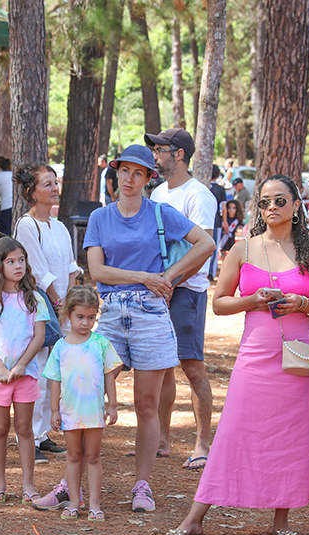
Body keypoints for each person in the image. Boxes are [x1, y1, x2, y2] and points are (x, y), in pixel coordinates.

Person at [161, 174, 309, 535]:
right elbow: (220, 302)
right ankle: (196, 516)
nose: (271, 208)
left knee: (292, 435)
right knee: (232, 430)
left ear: (296, 204)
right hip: (256, 351)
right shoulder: (243, 248)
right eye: (265, 202)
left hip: (298, 353)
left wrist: (302, 303)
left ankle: (281, 520)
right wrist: (252, 300)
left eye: (279, 201)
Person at [83, 144, 214, 513]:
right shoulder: (100, 217)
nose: (129, 178)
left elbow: (205, 243)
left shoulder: (161, 212)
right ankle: (72, 481)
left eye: (138, 173)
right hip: (110, 312)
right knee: (88, 394)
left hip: (151, 314)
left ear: (147, 179)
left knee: (146, 404)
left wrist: (171, 275)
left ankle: (142, 486)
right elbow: (98, 272)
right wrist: (145, 276)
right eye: (124, 171)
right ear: (116, 174)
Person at [146, 127, 217, 471]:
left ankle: (203, 444)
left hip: (187, 290)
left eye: (160, 150)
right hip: (160, 288)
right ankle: (161, 440)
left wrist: (173, 280)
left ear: (179, 155)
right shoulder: (158, 192)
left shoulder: (198, 195)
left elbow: (201, 248)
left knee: (192, 368)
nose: (155, 155)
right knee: (161, 366)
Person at [13, 162, 80, 463]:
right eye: (47, 184)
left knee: (57, 373)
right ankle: (30, 438)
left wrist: (74, 302)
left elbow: (70, 266)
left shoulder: (60, 226)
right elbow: (37, 271)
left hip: (65, 307)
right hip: (42, 308)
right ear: (31, 192)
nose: (54, 188)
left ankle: (43, 433)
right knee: (37, 372)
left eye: (55, 183)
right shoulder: (27, 226)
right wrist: (57, 303)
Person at [39, 285, 123, 521]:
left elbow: (109, 374)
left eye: (91, 317)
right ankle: (75, 500)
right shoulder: (60, 347)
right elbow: (54, 380)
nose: (85, 323)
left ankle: (95, 504)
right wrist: (54, 410)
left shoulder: (100, 344)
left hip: (93, 413)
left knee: (93, 456)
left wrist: (112, 405)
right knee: (74, 455)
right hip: (70, 412)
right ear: (68, 315)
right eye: (80, 317)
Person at [0, 236, 47, 504]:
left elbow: (38, 337)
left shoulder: (34, 299)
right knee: (0, 428)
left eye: (22, 260)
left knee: (25, 429)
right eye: (11, 261)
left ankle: (28, 484)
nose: (18, 266)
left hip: (25, 376)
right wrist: (1, 368)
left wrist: (22, 365)